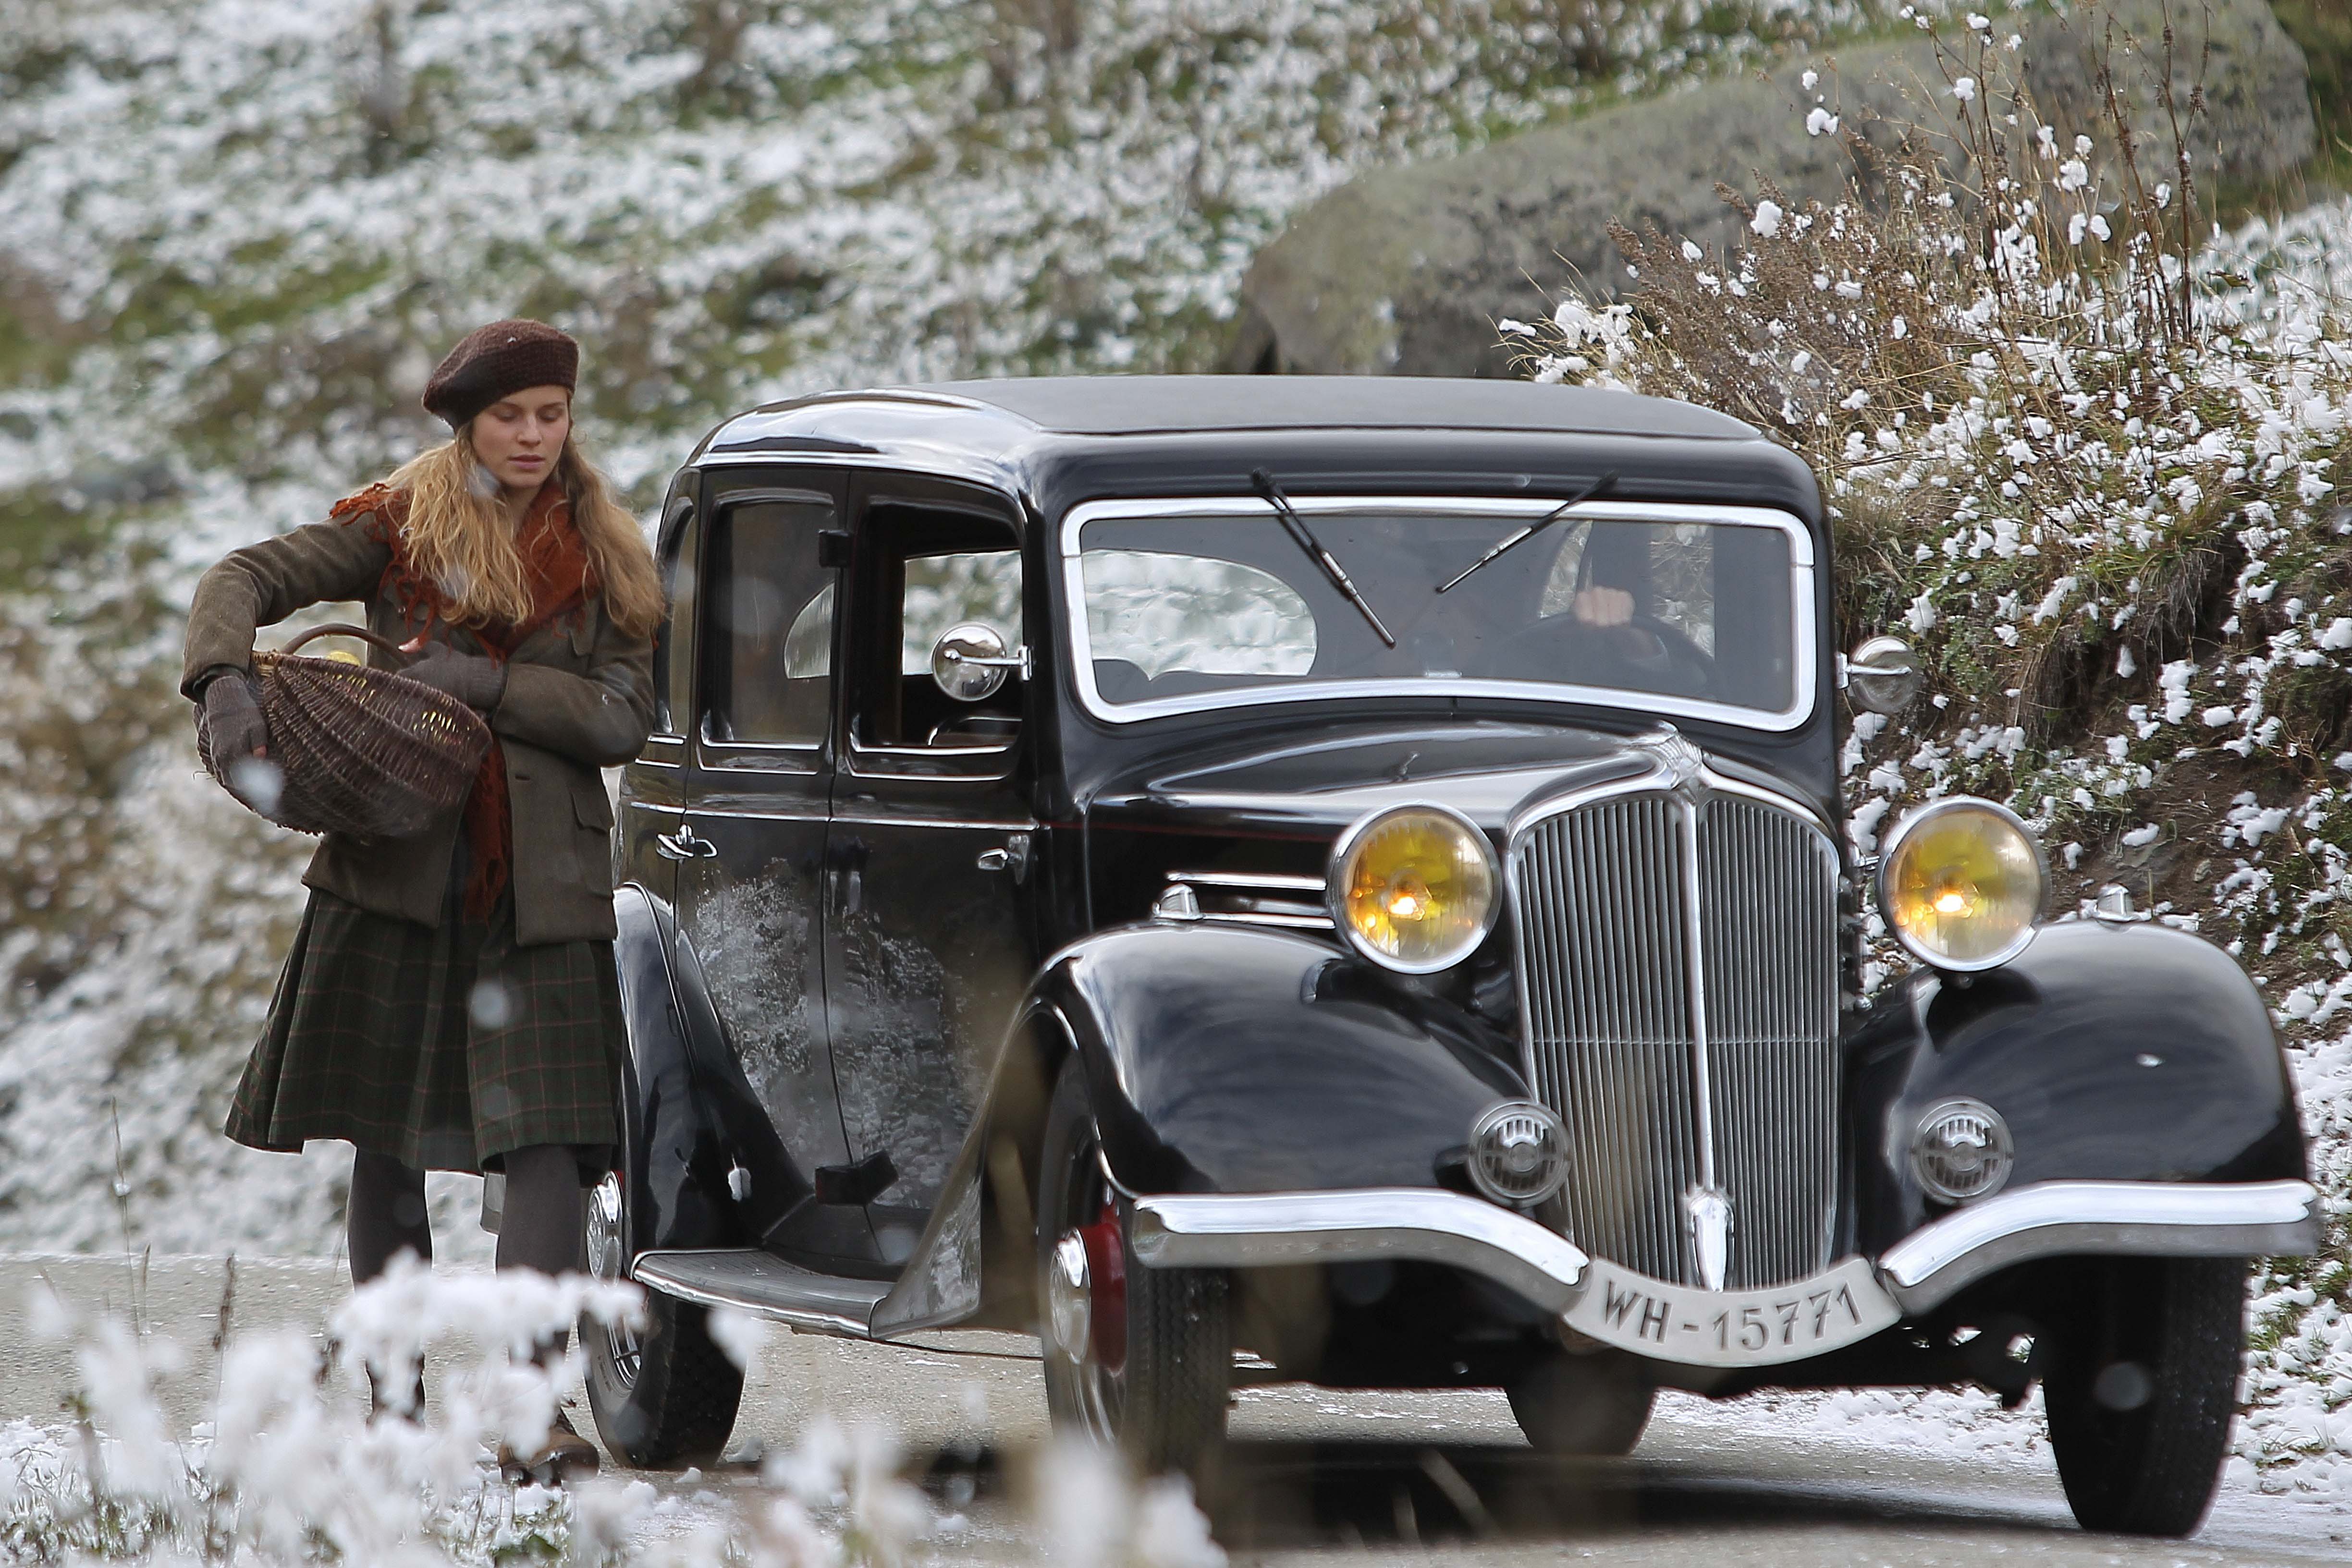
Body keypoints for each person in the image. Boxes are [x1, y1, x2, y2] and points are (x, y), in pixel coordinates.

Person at [182, 319, 662, 1479]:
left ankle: (531, 1411)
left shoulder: (607, 553)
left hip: (541, 891)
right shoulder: (397, 526)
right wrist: (222, 684)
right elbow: (240, 576)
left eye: (551, 413)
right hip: (395, 871)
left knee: (549, 1150)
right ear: (467, 425)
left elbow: (621, 717)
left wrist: (490, 684)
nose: (534, 436)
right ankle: (393, 1408)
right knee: (387, 1145)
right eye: (510, 417)